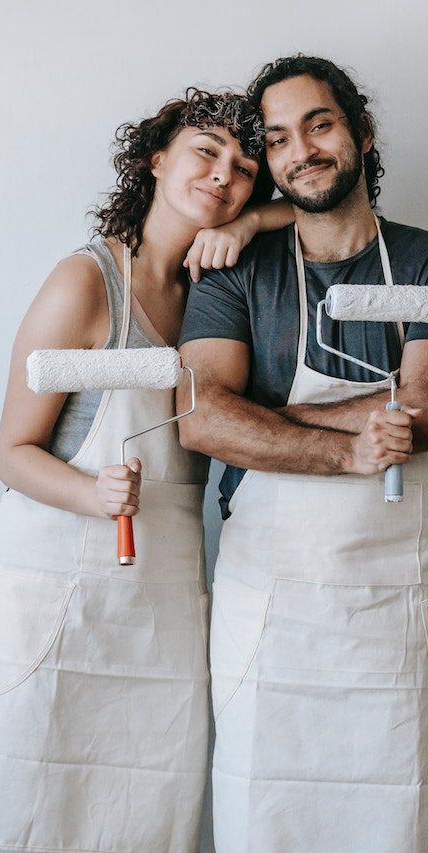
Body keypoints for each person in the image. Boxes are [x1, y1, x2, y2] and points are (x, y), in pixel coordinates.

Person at [0, 89, 287, 853]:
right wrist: (92, 493)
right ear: (156, 159)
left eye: (246, 170)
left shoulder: (219, 293)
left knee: (124, 816)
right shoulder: (87, 281)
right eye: (205, 152)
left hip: (156, 605)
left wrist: (252, 223)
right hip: (47, 588)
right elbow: (11, 452)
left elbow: (321, 212)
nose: (224, 175)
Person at [178, 55, 428, 852]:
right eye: (278, 139)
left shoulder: (423, 262)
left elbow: (422, 406)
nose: (301, 150)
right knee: (269, 812)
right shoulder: (234, 267)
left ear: (358, 130)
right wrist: (353, 443)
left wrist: (272, 421)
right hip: (271, 602)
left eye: (318, 124)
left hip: (395, 606)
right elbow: (202, 418)